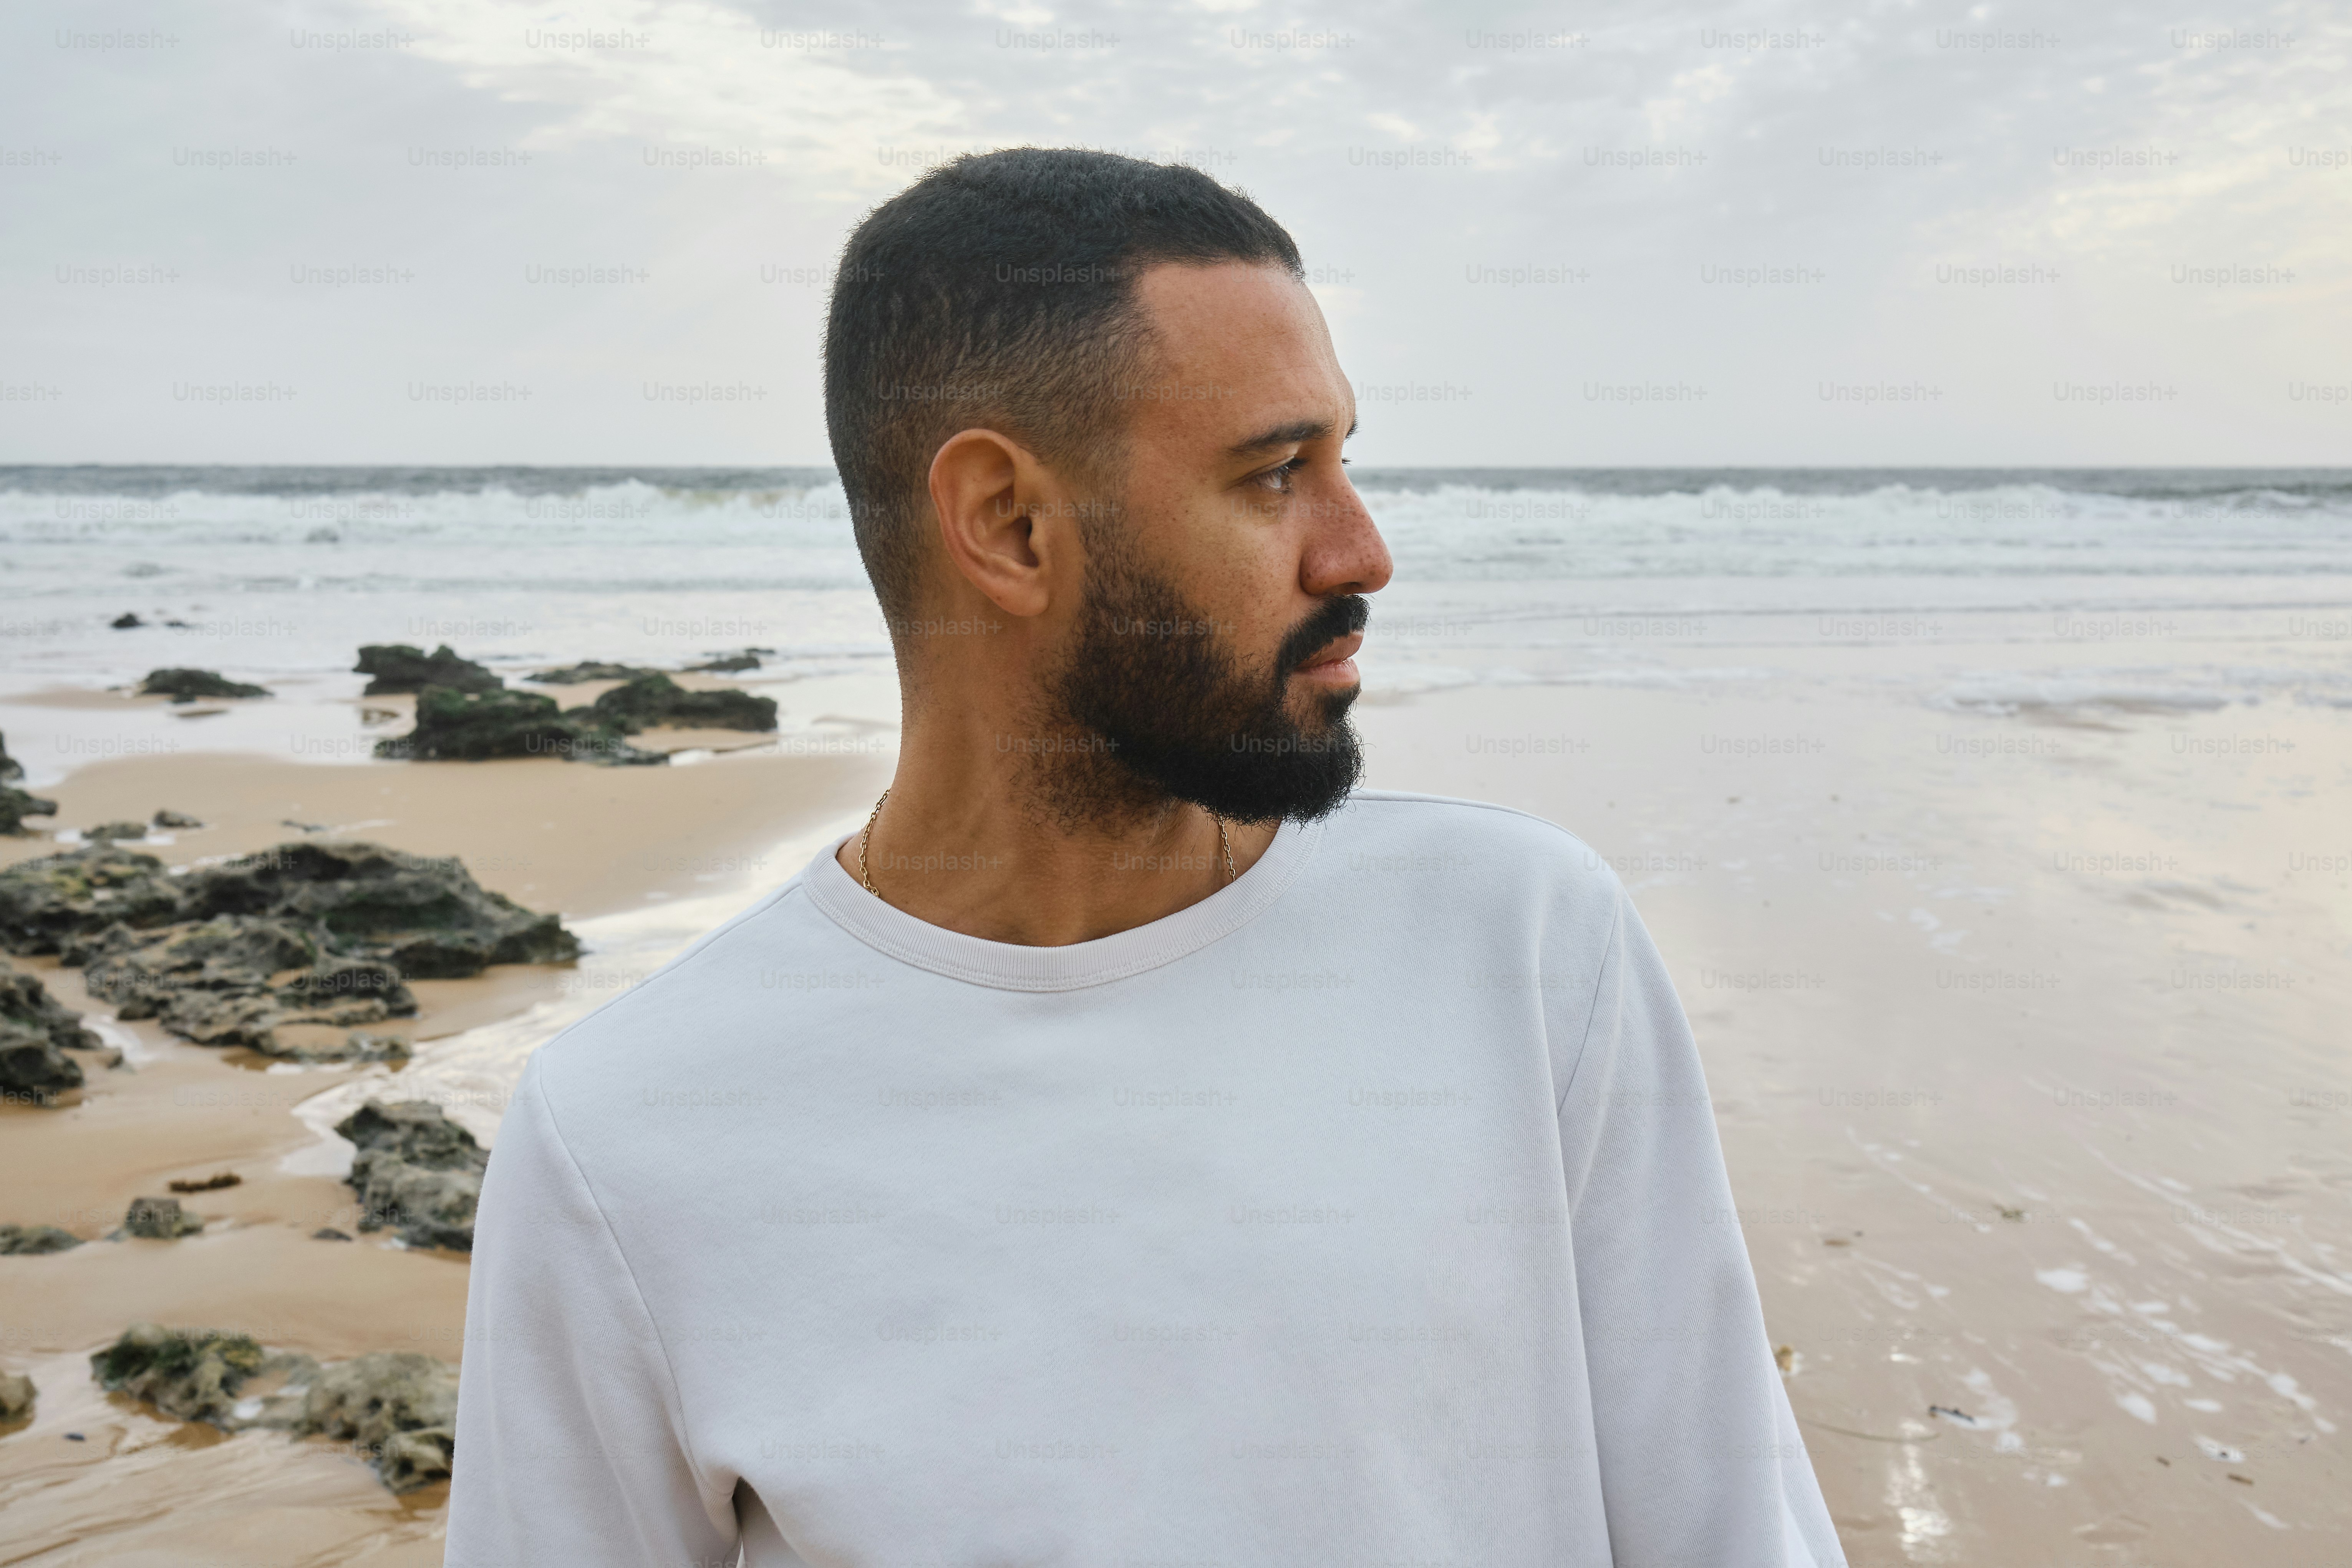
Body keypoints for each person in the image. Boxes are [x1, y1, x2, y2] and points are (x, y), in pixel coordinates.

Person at [446, 147, 1846, 1568]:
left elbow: (1726, 1526)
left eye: (1344, 460)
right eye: (1275, 474)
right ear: (1006, 525)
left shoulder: (1521, 947)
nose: (1361, 550)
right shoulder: (629, 1131)